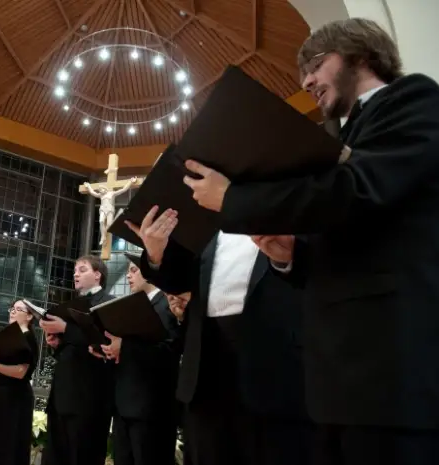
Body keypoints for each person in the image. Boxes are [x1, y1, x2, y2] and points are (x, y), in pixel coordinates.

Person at [179, 18, 439, 465]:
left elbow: (358, 190)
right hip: (337, 383)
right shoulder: (339, 135)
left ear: (359, 54)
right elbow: (352, 234)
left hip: (391, 371)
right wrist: (291, 257)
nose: (306, 81)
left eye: (315, 65)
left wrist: (234, 198)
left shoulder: (414, 98)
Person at [126, 207, 311, 465]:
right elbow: (183, 281)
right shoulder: (208, 226)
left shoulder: (295, 201)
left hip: (277, 376)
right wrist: (156, 251)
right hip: (206, 376)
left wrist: (286, 258)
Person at [40, 255, 116, 465]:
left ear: (98, 275)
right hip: (61, 397)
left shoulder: (109, 303)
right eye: (75, 270)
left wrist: (65, 329)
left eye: (82, 269)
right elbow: (71, 349)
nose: (75, 274)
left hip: (89, 399)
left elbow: (103, 343)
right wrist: (56, 344)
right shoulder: (69, 306)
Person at [107, 254, 181, 465]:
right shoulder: (132, 308)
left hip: (153, 408)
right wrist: (109, 349)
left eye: (133, 270)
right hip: (124, 405)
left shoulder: (168, 303)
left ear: (149, 274)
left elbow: (170, 351)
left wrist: (125, 346)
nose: (128, 276)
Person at [0, 299, 39, 465]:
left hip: (14, 399)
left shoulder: (28, 338)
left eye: (19, 309)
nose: (13, 311)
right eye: (12, 308)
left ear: (30, 316)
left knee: (7, 447)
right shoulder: (5, 336)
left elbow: (21, 372)